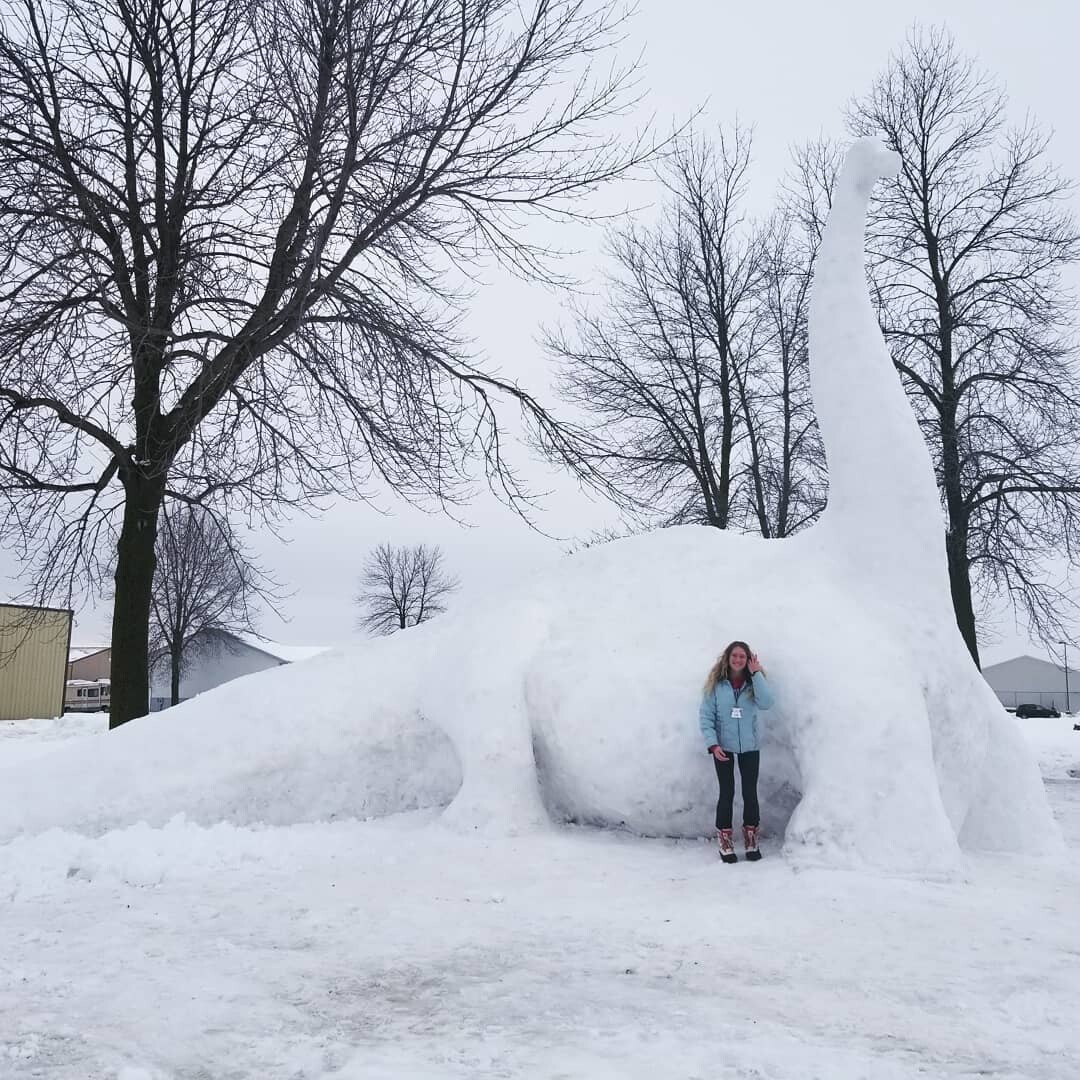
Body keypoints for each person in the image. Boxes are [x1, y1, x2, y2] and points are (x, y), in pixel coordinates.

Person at [698, 641, 774, 863]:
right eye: (735, 656)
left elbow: (767, 703)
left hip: (750, 747)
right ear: (728, 658)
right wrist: (713, 744)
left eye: (743, 656)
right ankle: (725, 839)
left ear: (748, 659)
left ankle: (751, 839)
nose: (738, 659)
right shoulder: (717, 686)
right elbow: (706, 717)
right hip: (723, 748)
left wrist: (756, 674)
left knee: (750, 793)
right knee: (727, 792)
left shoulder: (753, 684)